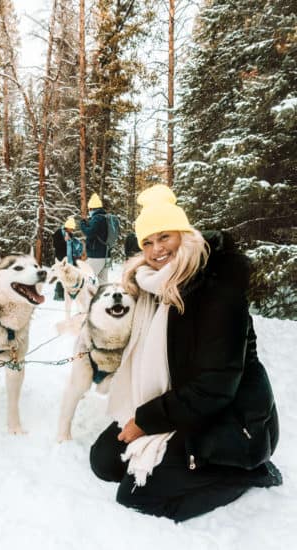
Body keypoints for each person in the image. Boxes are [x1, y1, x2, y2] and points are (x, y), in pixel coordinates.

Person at [89, 184, 282, 522]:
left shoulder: (216, 290)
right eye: (147, 241)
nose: (155, 249)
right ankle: (171, 452)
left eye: (164, 237)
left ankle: (252, 473)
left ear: (184, 234)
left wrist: (145, 420)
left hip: (232, 421)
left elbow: (215, 387)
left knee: (138, 496)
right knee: (104, 461)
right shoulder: (152, 286)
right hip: (181, 402)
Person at [80, 193, 109, 284]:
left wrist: (82, 224)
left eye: (89, 209)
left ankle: (88, 298)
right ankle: (103, 297)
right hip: (106, 255)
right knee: (103, 283)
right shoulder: (105, 217)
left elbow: (90, 233)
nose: (89, 211)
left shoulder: (96, 218)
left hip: (96, 256)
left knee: (86, 280)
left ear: (92, 208)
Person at [52, 217, 83, 300]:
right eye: (71, 229)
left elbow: (71, 245)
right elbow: (55, 245)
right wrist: (64, 241)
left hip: (68, 259)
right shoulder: (58, 233)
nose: (72, 230)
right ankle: (58, 295)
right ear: (67, 227)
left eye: (72, 229)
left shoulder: (70, 234)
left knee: (66, 277)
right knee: (60, 276)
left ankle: (67, 294)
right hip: (60, 258)